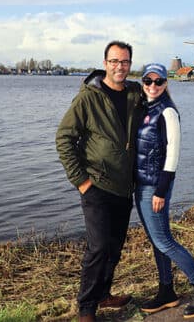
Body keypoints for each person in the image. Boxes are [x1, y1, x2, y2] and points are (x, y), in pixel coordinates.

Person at [56, 41, 144, 322]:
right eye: (115, 61)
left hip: (123, 186)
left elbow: (156, 104)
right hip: (96, 185)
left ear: (130, 65)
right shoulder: (89, 98)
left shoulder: (134, 93)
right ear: (105, 63)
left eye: (125, 62)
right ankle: (86, 307)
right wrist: (80, 180)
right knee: (98, 247)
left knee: (115, 246)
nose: (120, 67)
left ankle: (104, 294)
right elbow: (63, 138)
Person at [134, 63, 194, 319]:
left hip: (155, 187)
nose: (152, 86)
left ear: (166, 83)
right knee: (157, 240)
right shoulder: (145, 108)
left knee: (164, 241)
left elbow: (173, 154)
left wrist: (161, 190)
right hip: (141, 184)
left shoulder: (167, 112)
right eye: (147, 81)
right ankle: (166, 291)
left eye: (158, 81)